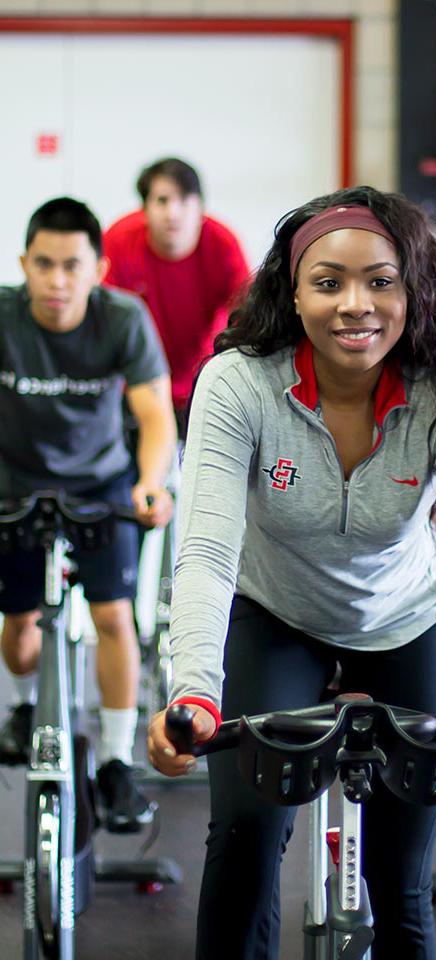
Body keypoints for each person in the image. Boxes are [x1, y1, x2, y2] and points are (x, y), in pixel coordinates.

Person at [147, 186, 436, 959]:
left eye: (381, 281)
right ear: (294, 292)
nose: (356, 304)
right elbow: (207, 550)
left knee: (401, 878)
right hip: (274, 613)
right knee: (243, 843)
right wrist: (193, 693)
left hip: (407, 618)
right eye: (329, 282)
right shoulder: (239, 383)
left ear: (414, 290)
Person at [0, 197, 177, 832]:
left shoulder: (122, 319)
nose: (57, 281)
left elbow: (155, 415)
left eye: (72, 266)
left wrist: (152, 483)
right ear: (24, 263)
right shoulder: (4, 315)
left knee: (112, 618)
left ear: (98, 268)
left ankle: (114, 762)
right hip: (13, 485)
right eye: (43, 265)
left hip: (102, 485)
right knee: (20, 632)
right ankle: (23, 705)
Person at [103, 157, 249, 423]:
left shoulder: (223, 244)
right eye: (162, 200)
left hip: (206, 385)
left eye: (185, 200)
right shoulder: (117, 241)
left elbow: (241, 318)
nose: (173, 213)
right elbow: (105, 319)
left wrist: (207, 376)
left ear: (201, 206)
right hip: (134, 390)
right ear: (144, 208)